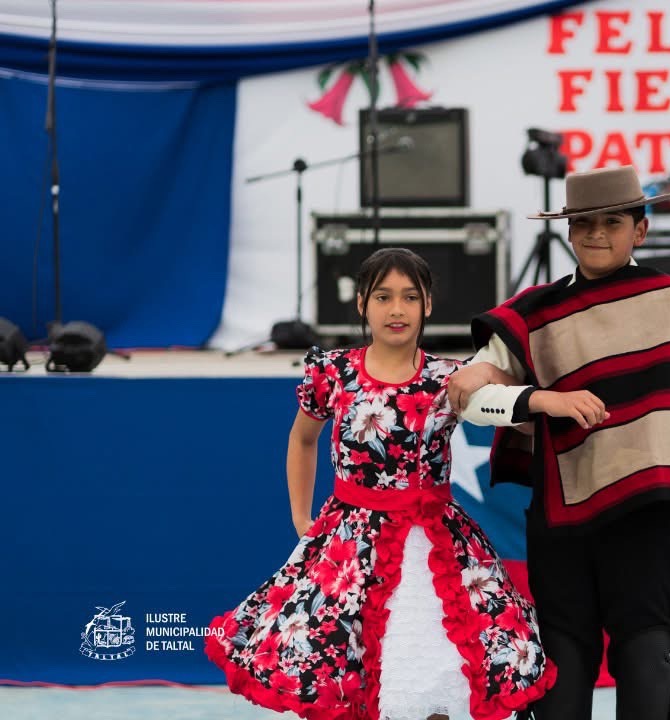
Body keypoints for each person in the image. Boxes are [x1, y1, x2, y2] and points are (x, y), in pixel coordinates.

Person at [450, 165, 670, 720]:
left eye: (612, 221)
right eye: (583, 222)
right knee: (563, 652)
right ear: (568, 231)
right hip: (561, 515)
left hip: (648, 509)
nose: (595, 233)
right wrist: (536, 398)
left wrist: (646, 428)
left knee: (646, 648)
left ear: (640, 230)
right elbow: (467, 398)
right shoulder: (532, 314)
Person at [206, 248, 557, 720]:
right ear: (361, 305)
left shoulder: (450, 378)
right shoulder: (334, 373)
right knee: (357, 686)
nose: (397, 309)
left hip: (435, 548)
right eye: (384, 297)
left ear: (427, 304)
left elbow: (519, 415)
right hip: (349, 549)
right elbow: (302, 440)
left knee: (441, 684)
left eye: (410, 297)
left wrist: (503, 377)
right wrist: (299, 515)